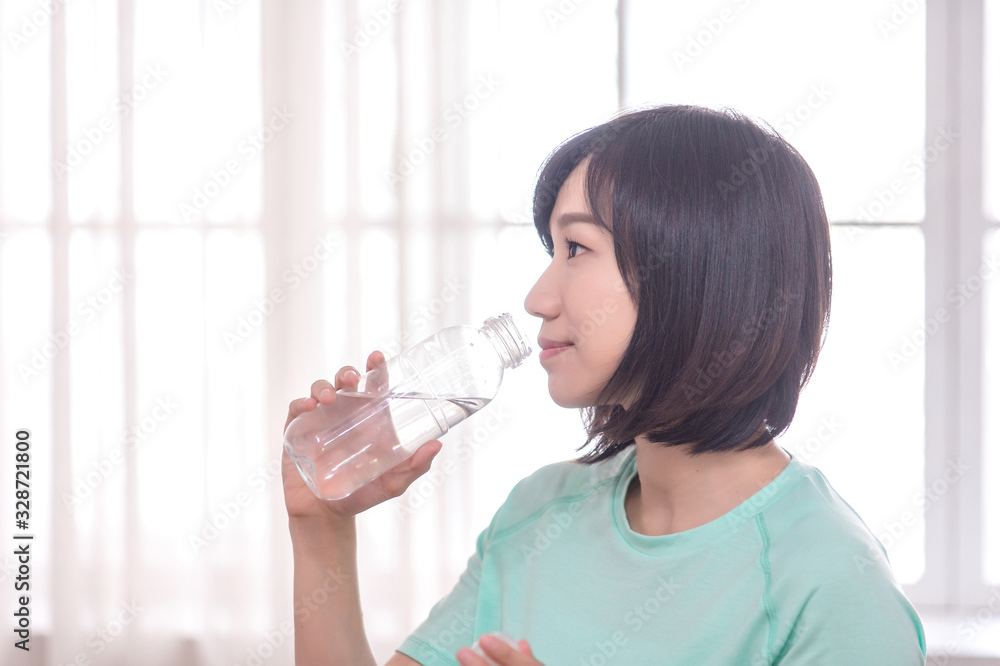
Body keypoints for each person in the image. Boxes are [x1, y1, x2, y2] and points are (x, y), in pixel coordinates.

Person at [282, 105, 927, 665]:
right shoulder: (538, 514)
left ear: (695, 270)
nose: (538, 298)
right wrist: (321, 530)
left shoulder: (830, 584)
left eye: (577, 249)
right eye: (552, 249)